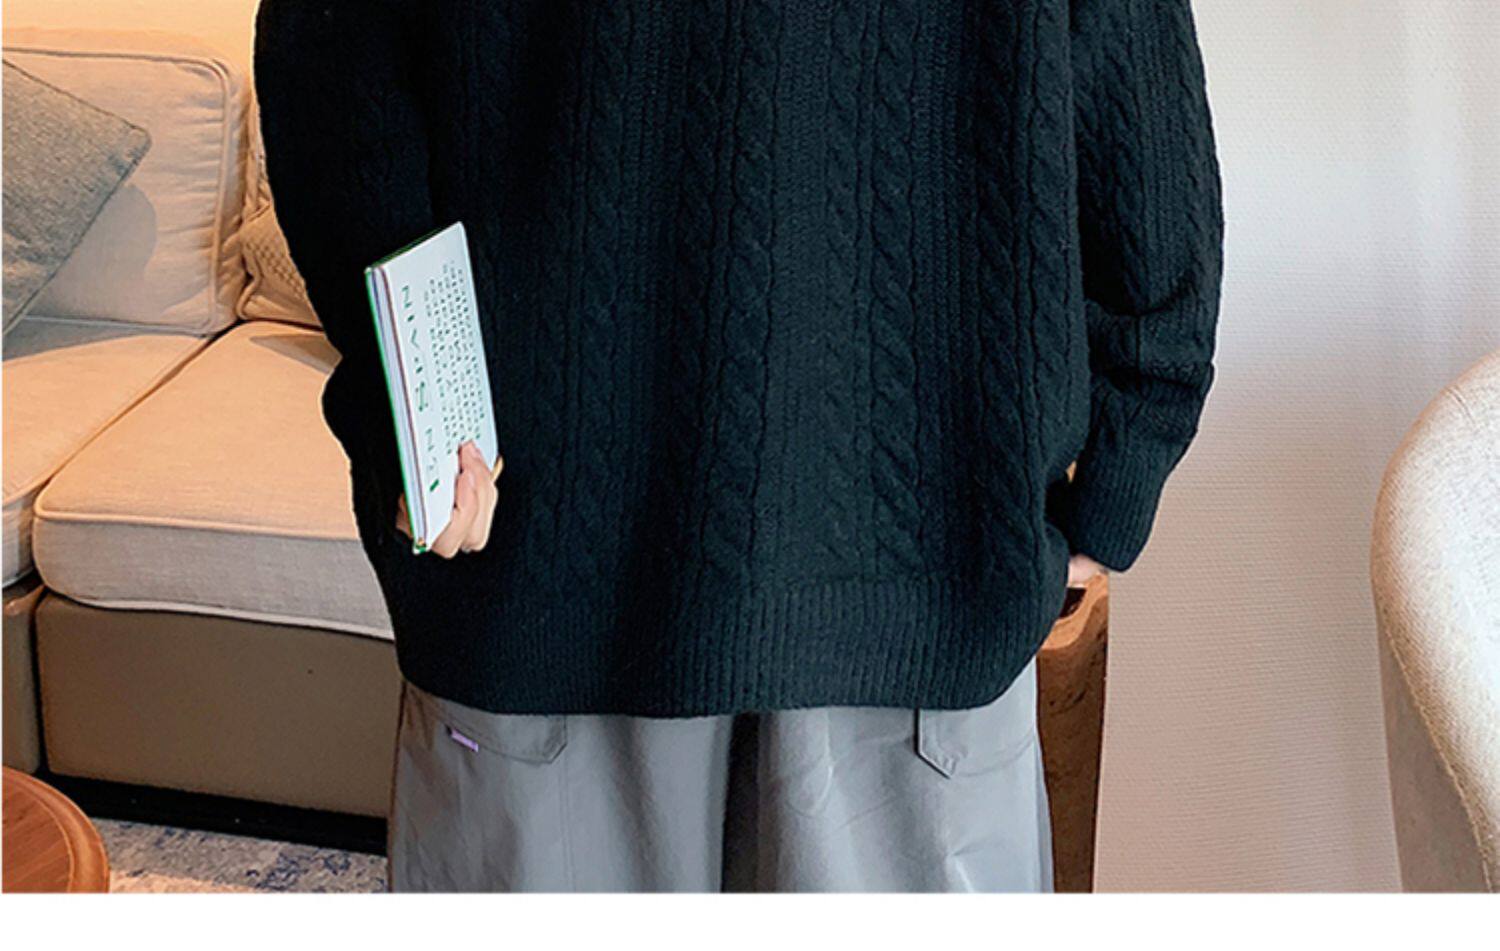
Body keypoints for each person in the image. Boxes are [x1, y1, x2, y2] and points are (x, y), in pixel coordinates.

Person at [253, 0, 1222, 892]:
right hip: (617, 599)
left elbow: (336, 83)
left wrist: (419, 416)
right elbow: (1145, 130)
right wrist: (1124, 460)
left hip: (593, 586)